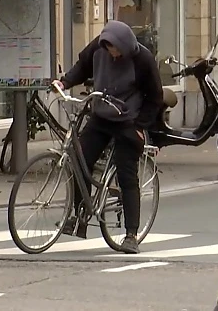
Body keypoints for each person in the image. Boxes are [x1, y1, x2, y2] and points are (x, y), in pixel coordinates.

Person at [52, 20, 163, 254]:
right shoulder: (100, 48)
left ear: (124, 45)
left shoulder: (142, 60)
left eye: (115, 49)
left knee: (126, 173)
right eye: (109, 48)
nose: (112, 53)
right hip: (101, 116)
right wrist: (65, 81)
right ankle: (79, 215)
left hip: (127, 121)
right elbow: (82, 66)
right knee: (79, 160)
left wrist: (140, 126)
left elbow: (155, 96)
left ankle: (131, 234)